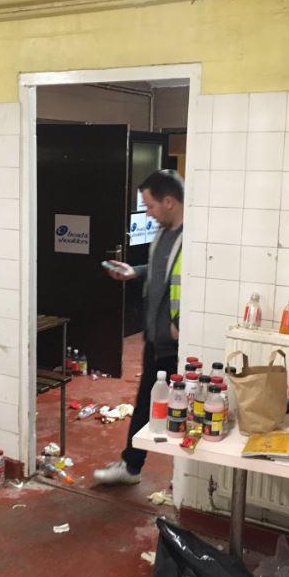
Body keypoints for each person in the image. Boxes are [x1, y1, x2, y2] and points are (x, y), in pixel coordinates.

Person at [93, 169, 183, 485]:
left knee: (186, 412)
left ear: (169, 201)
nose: (148, 212)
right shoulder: (163, 233)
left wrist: (180, 325)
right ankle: (131, 467)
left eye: (150, 206)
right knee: (145, 401)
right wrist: (136, 271)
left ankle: (188, 484)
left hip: (180, 345)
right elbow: (161, 272)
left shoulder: (195, 237)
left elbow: (200, 284)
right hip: (155, 338)